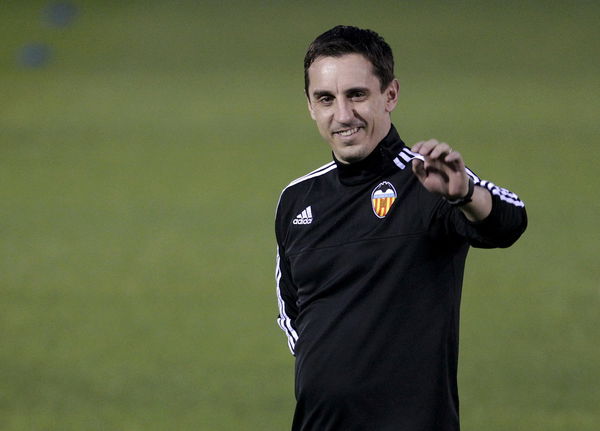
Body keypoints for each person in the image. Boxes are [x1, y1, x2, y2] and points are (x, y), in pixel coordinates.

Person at [274, 25, 527, 431]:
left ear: (389, 95)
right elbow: (291, 309)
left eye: (357, 95)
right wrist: (329, 367)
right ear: (310, 105)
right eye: (326, 98)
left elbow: (510, 222)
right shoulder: (297, 200)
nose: (343, 115)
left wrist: (464, 195)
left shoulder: (430, 179)